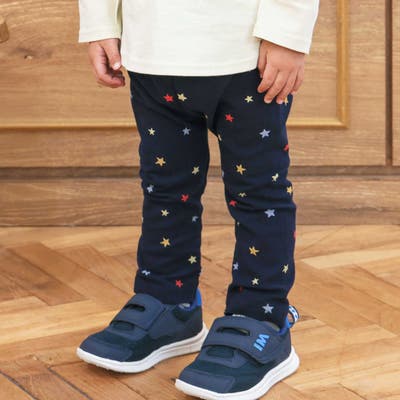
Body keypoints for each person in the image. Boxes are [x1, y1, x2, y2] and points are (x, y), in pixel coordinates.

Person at [76, 1, 319, 398]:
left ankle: (261, 319)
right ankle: (169, 302)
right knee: (165, 190)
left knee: (259, 196)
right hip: (152, 52)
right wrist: (100, 22)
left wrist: (287, 33)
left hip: (246, 56)